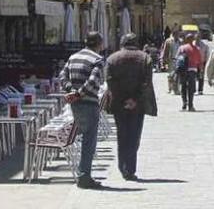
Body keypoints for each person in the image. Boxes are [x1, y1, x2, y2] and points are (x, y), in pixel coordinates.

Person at [106, 33, 157, 181]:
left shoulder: (112, 59)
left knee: (122, 135)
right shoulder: (144, 58)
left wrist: (123, 100)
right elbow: (146, 82)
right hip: (138, 104)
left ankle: (123, 168)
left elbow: (110, 82)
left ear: (122, 43)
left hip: (118, 104)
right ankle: (130, 168)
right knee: (134, 135)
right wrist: (134, 99)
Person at [60, 31, 106, 189]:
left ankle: (83, 173)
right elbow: (93, 81)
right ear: (99, 44)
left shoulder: (73, 57)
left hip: (75, 104)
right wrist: (79, 93)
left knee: (82, 136)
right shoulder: (97, 59)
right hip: (88, 102)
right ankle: (84, 176)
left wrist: (71, 91)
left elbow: (62, 76)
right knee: (89, 141)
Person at [176, 34, 203, 111]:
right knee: (191, 88)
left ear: (186, 39)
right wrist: (200, 70)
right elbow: (199, 61)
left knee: (183, 86)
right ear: (193, 39)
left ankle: (184, 103)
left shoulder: (181, 48)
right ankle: (190, 105)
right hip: (192, 70)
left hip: (183, 70)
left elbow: (177, 58)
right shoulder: (196, 49)